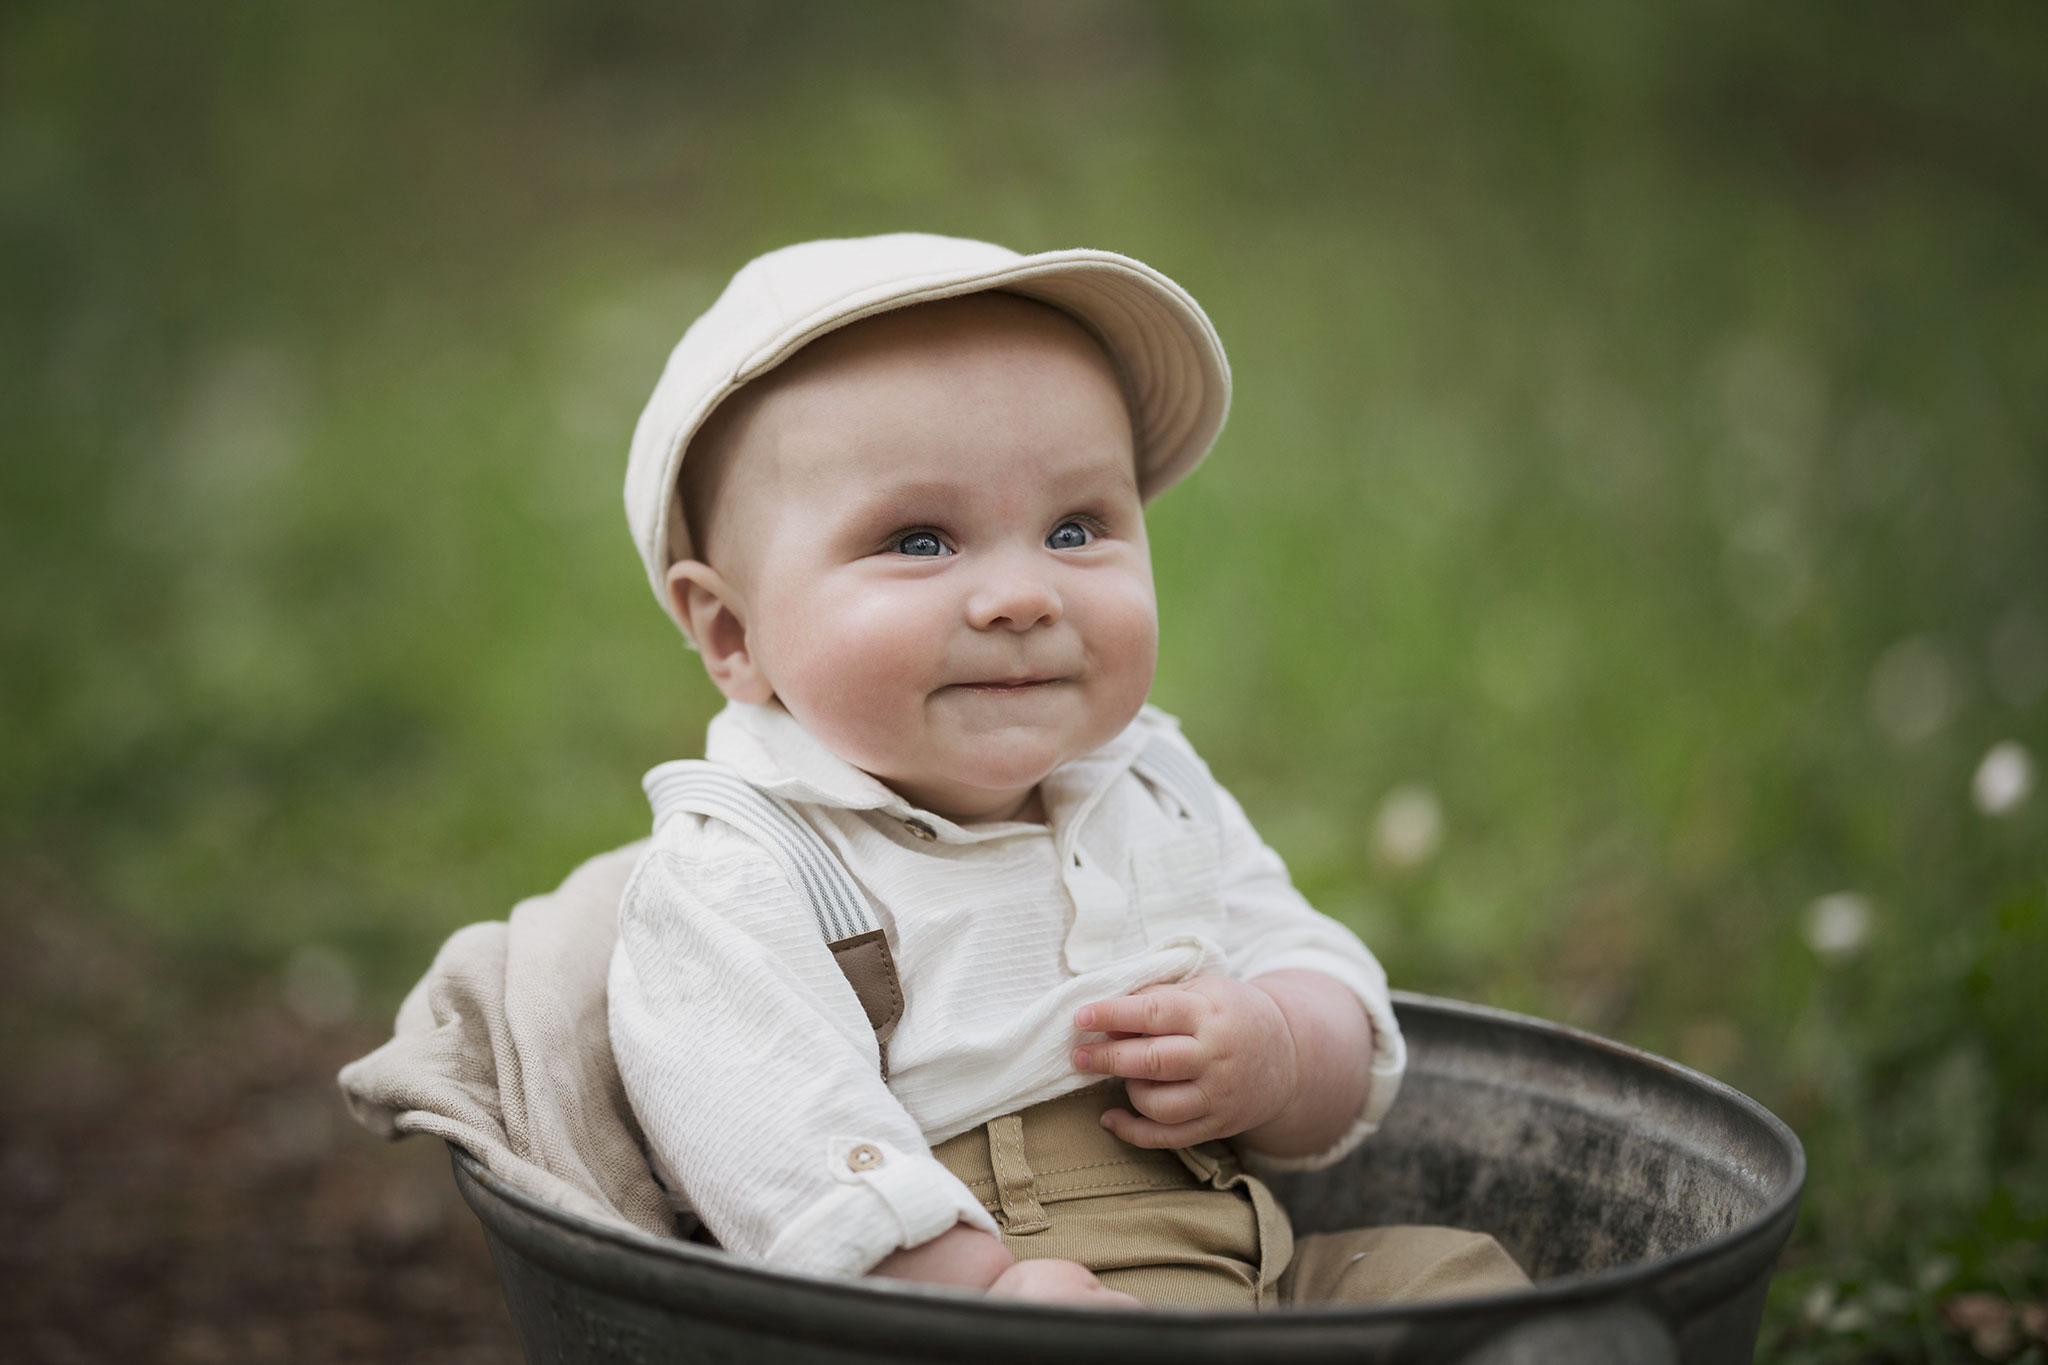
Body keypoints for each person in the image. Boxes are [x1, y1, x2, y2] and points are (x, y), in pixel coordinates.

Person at [609, 233, 1528, 1311]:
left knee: (1463, 1285)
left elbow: (1315, 971)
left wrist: (1276, 1049)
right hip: (976, 1292)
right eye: (917, 541)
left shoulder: (1150, 781)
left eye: (1075, 527)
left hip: (1254, 1261)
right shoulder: (744, 871)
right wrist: (979, 1300)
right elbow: (778, 1145)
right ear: (731, 634)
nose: (1020, 595)